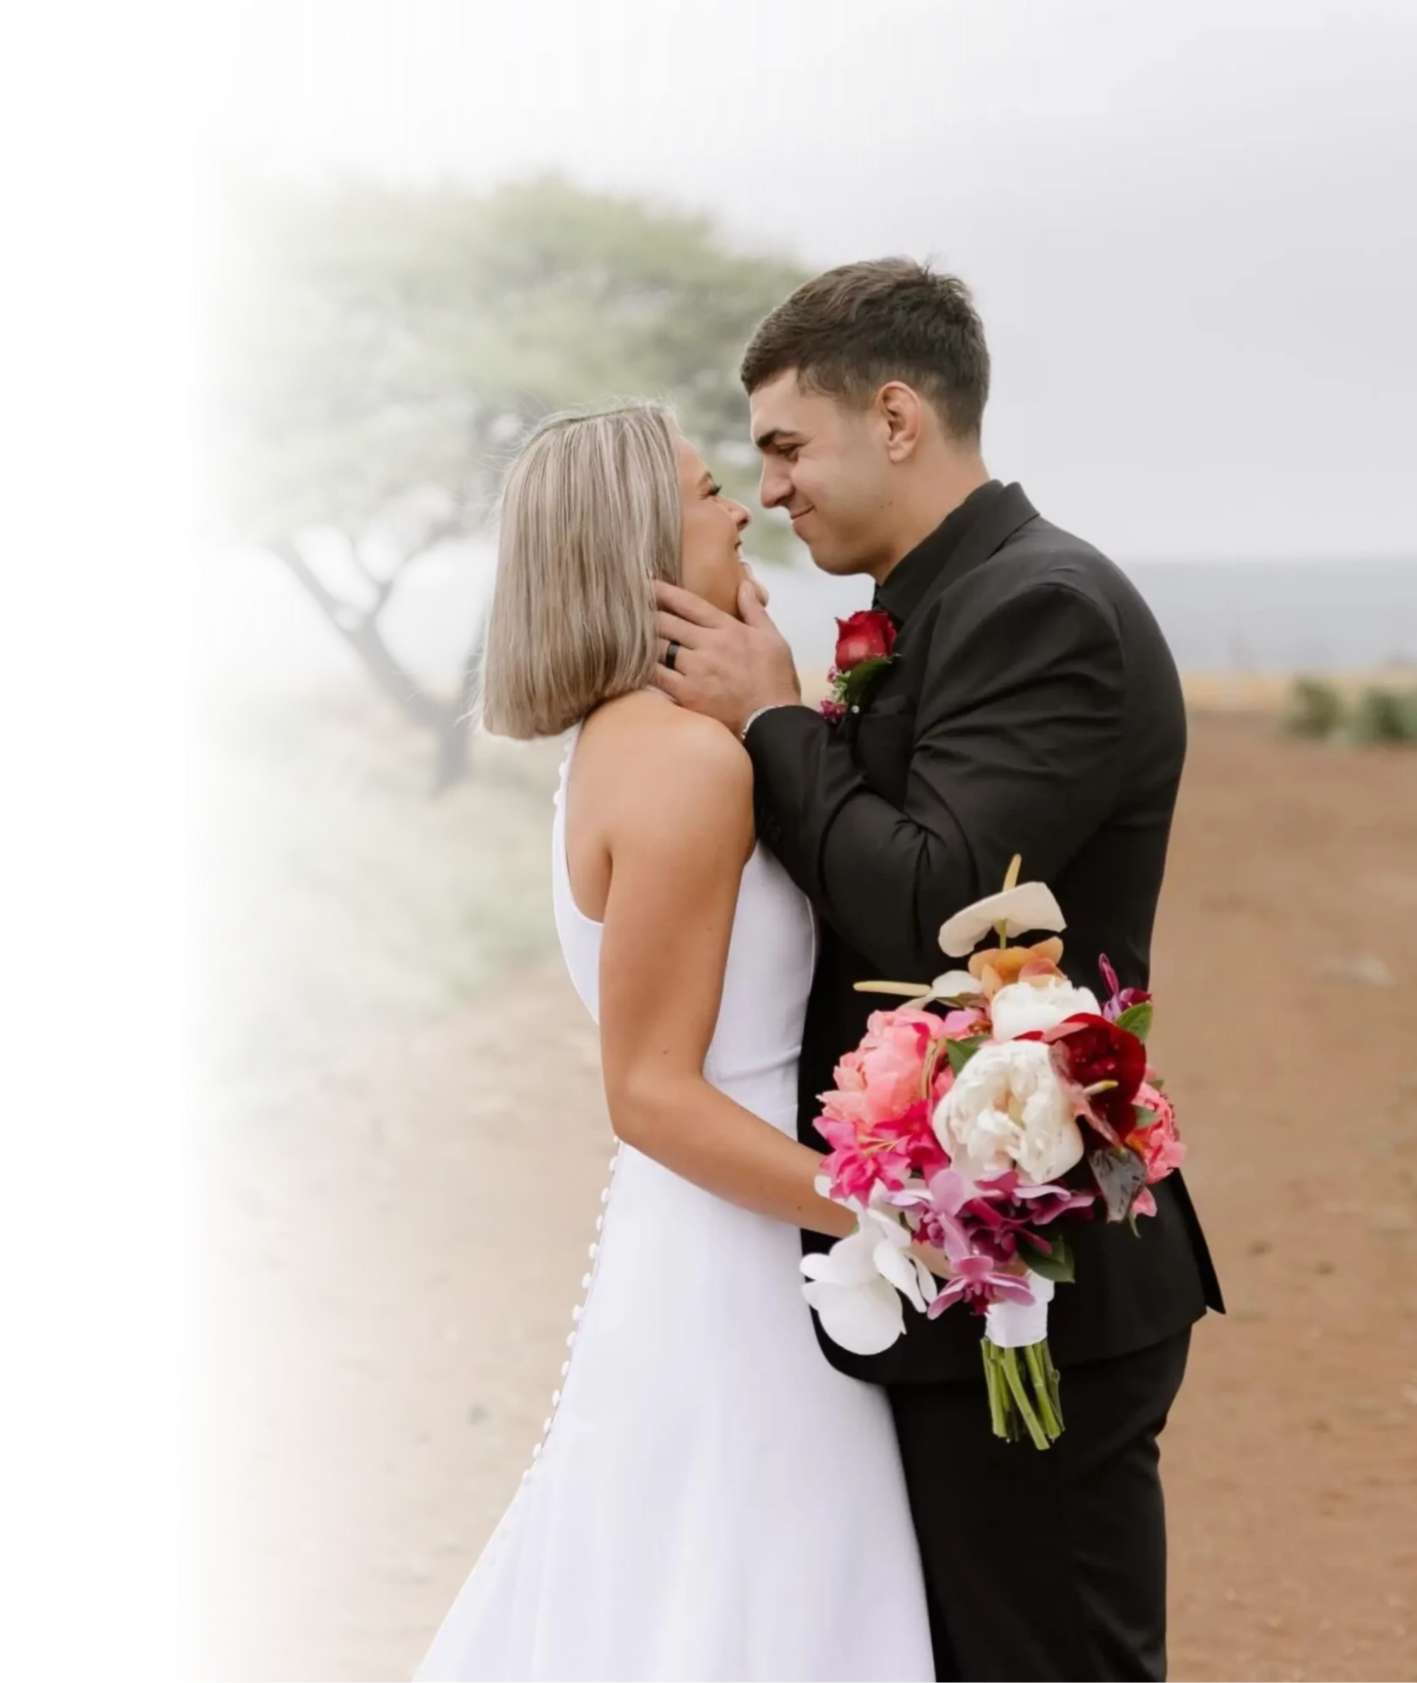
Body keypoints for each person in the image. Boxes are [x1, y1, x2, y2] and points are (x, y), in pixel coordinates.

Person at [653, 257, 1225, 1683]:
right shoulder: (941, 603)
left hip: (1036, 1271)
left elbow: (937, 904)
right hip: (938, 1265)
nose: (771, 487)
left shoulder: (1045, 607)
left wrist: (780, 724)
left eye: (788, 444)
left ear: (896, 416)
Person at [409, 400, 937, 1683]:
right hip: (739, 1262)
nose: (741, 508)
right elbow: (646, 1089)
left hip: (708, 1232)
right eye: (709, 492)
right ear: (642, 540)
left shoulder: (624, 740)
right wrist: (893, 1212)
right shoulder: (685, 771)